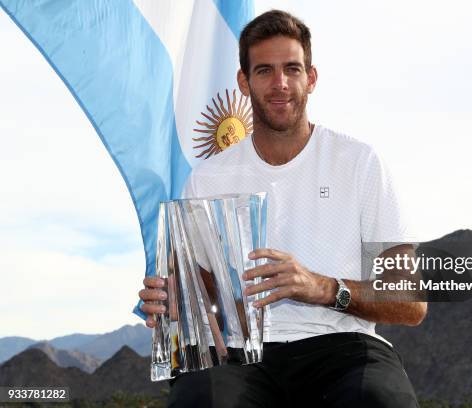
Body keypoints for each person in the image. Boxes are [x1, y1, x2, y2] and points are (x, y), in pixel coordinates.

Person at [139, 10, 427, 408]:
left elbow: (410, 301)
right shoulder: (207, 180)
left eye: (292, 69)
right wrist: (173, 302)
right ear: (244, 81)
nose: (280, 84)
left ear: (311, 77)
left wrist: (324, 288)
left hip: (344, 345)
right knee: (198, 400)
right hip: (243, 356)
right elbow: (198, 296)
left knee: (379, 401)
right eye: (264, 71)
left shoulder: (358, 162)